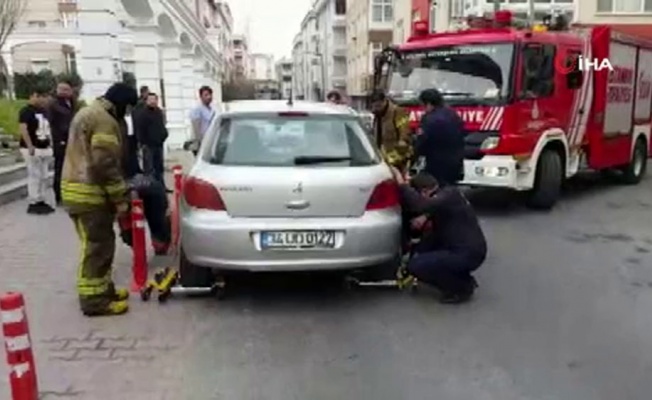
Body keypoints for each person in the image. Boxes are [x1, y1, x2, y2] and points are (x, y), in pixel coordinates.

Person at [61, 82, 138, 317]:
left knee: (103, 243)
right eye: (128, 109)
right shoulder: (105, 120)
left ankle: (104, 290)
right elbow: (104, 162)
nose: (127, 114)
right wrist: (120, 196)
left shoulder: (88, 112)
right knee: (97, 247)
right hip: (90, 194)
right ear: (122, 104)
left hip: (77, 190)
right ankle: (94, 302)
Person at [392, 168, 486, 304]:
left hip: (467, 253)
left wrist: (402, 185)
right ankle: (461, 277)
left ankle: (460, 288)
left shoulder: (447, 196)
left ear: (425, 192)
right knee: (422, 248)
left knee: (416, 266)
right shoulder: (449, 193)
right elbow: (436, 208)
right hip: (465, 248)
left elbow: (420, 204)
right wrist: (426, 216)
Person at [117, 116, 171, 255]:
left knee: (155, 205)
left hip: (140, 182)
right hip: (128, 182)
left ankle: (157, 241)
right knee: (130, 214)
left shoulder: (134, 139)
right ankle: (142, 242)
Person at [415, 88, 466, 186]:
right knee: (450, 190)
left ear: (428, 104)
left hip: (436, 164)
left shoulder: (428, 119)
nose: (422, 109)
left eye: (422, 105)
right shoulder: (453, 115)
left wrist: (414, 156)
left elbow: (422, 141)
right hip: (455, 162)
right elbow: (462, 133)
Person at [19, 86, 55, 215]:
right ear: (34, 96)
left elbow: (48, 128)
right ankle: (33, 200)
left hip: (44, 146)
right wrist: (29, 145)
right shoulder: (26, 111)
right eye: (40, 97)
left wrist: (50, 143)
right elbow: (23, 128)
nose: (43, 100)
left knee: (44, 176)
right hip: (32, 147)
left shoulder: (44, 111)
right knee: (35, 175)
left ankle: (41, 199)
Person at [48, 80, 76, 206]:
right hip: (60, 141)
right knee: (60, 169)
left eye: (68, 89)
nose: (66, 92)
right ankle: (59, 196)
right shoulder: (54, 105)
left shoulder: (71, 103)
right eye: (63, 89)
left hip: (71, 140)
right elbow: (54, 123)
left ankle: (68, 193)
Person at [369, 90, 412, 173]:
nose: (377, 108)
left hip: (396, 157)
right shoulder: (377, 115)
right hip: (381, 157)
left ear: (385, 101)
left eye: (379, 105)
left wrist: (402, 143)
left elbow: (404, 131)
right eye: (374, 106)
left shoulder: (398, 112)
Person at [136, 93, 168, 184]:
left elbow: (162, 126)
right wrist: (143, 143)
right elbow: (140, 130)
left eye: (154, 99)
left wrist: (164, 135)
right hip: (148, 146)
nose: (153, 101)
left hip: (159, 144)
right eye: (150, 100)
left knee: (159, 167)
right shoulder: (143, 114)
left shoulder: (159, 112)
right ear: (146, 101)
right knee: (149, 168)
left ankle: (161, 186)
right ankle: (150, 187)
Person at [189, 86, 215, 156]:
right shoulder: (197, 109)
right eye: (206, 95)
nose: (209, 97)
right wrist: (200, 142)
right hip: (201, 143)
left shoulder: (213, 109)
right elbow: (196, 128)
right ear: (201, 97)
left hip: (211, 141)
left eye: (210, 94)